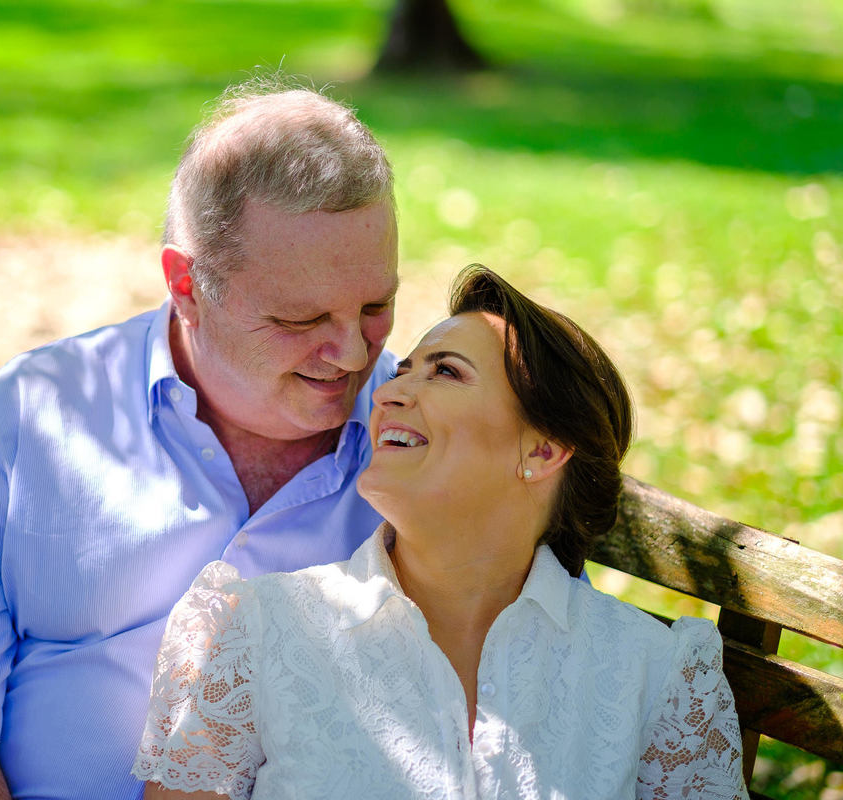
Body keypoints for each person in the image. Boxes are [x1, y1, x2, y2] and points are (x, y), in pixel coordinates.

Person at [0, 78, 401, 800]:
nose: (353, 354)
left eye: (376, 306)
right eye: (300, 321)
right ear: (186, 286)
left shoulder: (436, 442)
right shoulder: (33, 411)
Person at [134, 265, 748, 800]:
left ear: (542, 451)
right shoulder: (248, 634)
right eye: (403, 372)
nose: (391, 393)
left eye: (446, 373)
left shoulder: (660, 676)